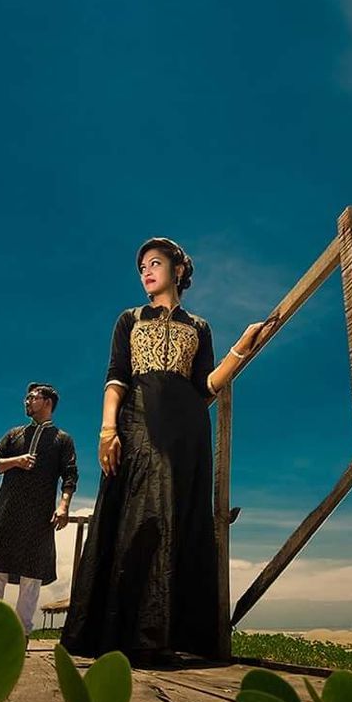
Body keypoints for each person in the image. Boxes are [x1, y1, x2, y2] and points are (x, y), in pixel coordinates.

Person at [60, 238, 270, 666]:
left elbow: (205, 388)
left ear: (178, 270)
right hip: (137, 420)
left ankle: (164, 638)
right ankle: (128, 636)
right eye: (141, 267)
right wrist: (106, 429)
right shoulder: (129, 319)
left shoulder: (200, 327)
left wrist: (243, 348)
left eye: (155, 264)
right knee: (141, 513)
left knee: (178, 516)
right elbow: (117, 376)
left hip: (188, 430)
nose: (146, 272)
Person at [0, 382, 78, 637]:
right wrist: (15, 461)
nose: (26, 402)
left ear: (47, 402)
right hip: (6, 511)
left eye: (32, 397)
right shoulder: (14, 434)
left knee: (32, 574)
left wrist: (63, 506)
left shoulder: (62, 439)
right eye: (27, 398)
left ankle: (21, 634)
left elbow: (70, 475)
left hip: (39, 515)